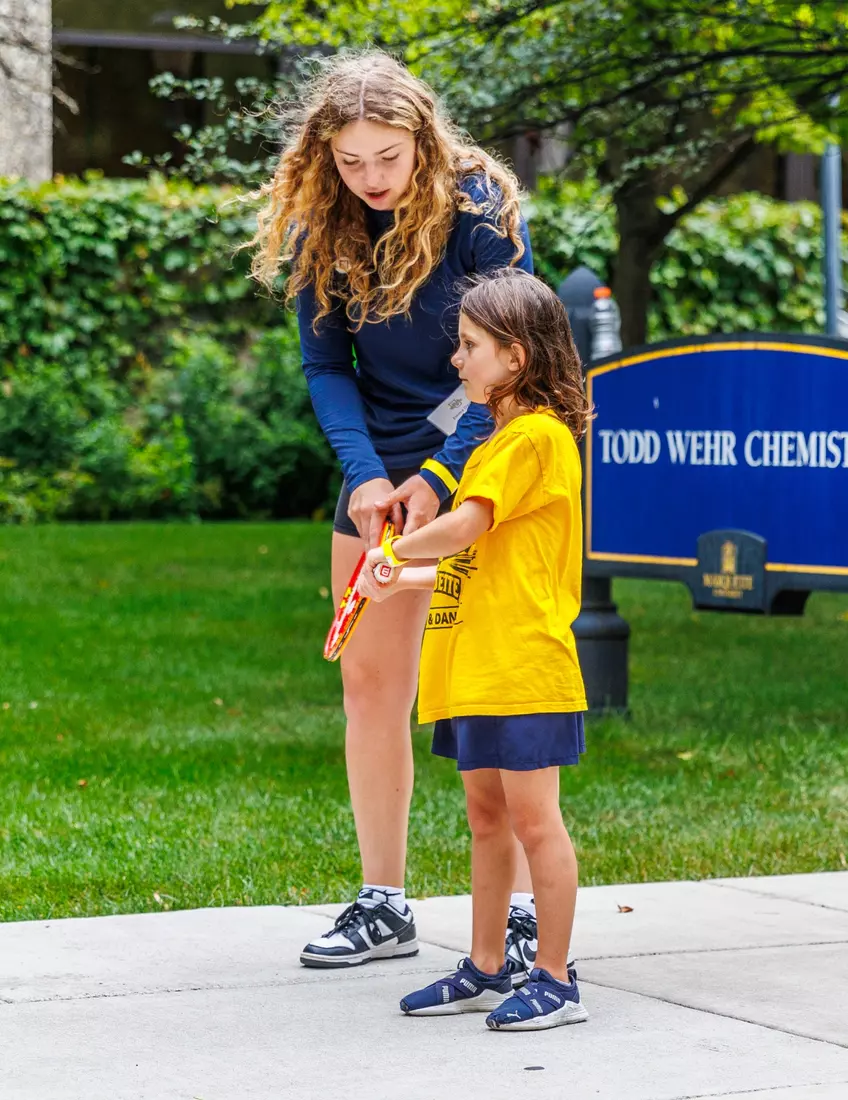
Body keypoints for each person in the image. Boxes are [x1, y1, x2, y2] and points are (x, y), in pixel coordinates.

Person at [250, 49, 541, 978]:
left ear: (422, 138)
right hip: (375, 469)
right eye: (350, 161)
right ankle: (384, 904)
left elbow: (510, 354)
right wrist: (368, 474)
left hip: (481, 450)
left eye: (387, 156)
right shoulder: (324, 228)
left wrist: (443, 475)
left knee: (496, 686)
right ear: (322, 157)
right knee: (371, 687)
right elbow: (326, 368)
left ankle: (526, 909)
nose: (371, 179)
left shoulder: (480, 215)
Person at [359, 268, 592, 1031]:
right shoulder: (496, 440)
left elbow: (465, 527)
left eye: (469, 347)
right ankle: (487, 967)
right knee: (487, 822)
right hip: (473, 668)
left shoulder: (533, 438)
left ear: (516, 357)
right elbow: (473, 554)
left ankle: (554, 979)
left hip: (522, 666)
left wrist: (395, 553)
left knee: (534, 822)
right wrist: (399, 580)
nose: (456, 362)